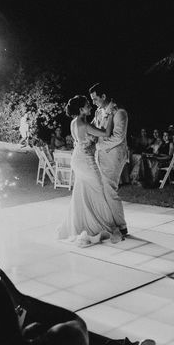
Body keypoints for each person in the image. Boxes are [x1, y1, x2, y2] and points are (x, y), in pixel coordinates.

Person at [57, 95, 122, 246]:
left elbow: (89, 134)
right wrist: (111, 115)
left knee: (83, 192)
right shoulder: (84, 125)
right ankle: (100, 225)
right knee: (98, 189)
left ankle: (84, 224)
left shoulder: (75, 122)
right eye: (87, 105)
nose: (90, 107)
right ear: (81, 109)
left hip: (78, 158)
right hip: (85, 160)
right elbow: (106, 133)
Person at [89, 83, 129, 237]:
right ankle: (110, 222)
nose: (93, 102)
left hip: (114, 157)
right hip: (100, 156)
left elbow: (118, 137)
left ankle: (122, 226)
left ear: (104, 96)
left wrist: (98, 145)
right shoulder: (99, 112)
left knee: (110, 190)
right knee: (103, 189)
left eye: (95, 98)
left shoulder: (120, 112)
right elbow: (93, 127)